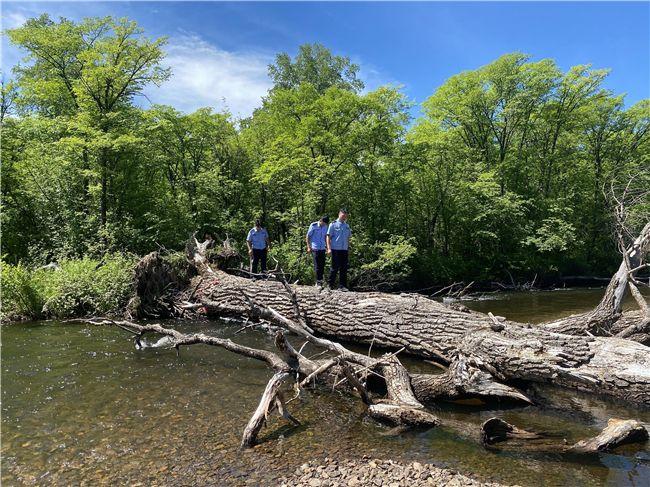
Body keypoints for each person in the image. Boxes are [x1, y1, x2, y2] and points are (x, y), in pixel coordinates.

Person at [326, 208, 351, 291]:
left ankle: (342, 286)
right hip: (335, 249)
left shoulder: (347, 226)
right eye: (343, 215)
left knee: (344, 268)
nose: (344, 217)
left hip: (344, 249)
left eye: (345, 216)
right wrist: (329, 248)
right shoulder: (333, 224)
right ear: (339, 214)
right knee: (334, 267)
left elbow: (348, 238)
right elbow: (328, 237)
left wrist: (348, 248)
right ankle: (330, 285)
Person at [306, 215, 330, 287]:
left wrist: (327, 247)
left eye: (326, 224)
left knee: (322, 265)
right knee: (317, 265)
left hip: (322, 248)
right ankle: (318, 281)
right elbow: (308, 236)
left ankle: (320, 280)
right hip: (315, 248)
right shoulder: (313, 225)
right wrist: (308, 247)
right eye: (324, 223)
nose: (325, 224)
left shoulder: (326, 227)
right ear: (321, 220)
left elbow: (326, 237)